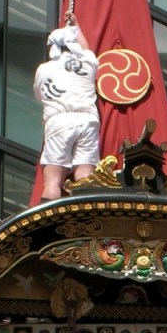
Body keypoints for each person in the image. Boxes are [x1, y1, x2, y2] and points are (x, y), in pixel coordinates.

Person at [33, 15, 100, 200]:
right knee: (85, 177)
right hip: (88, 120)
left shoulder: (44, 69)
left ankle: (47, 216)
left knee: (53, 181)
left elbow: (39, 94)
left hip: (59, 121)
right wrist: (76, 26)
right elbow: (87, 49)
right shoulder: (87, 62)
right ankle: (87, 212)